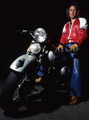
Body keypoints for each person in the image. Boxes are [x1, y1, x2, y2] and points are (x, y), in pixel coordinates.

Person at [57, 2, 88, 105]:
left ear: (77, 11)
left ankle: (75, 94)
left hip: (76, 47)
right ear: (68, 12)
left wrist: (76, 45)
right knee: (51, 54)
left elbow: (83, 34)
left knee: (76, 69)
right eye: (70, 10)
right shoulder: (66, 25)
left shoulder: (82, 20)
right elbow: (63, 37)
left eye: (74, 10)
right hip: (66, 46)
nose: (72, 12)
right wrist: (61, 44)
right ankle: (40, 75)